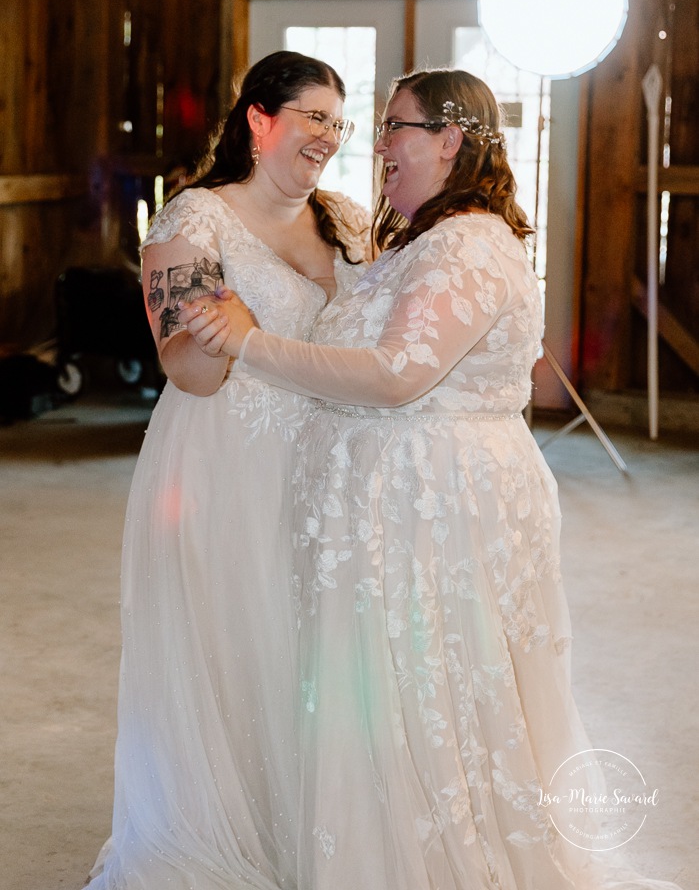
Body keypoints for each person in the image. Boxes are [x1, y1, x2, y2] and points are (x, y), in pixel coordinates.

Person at [181, 68, 682, 890]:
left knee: (431, 700)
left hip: (434, 510)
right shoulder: (423, 240)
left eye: (393, 127)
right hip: (400, 512)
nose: (376, 145)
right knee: (396, 701)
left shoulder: (468, 242)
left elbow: (396, 374)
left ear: (449, 141)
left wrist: (248, 340)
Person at [85, 50, 370, 890]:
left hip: (332, 458)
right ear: (259, 119)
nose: (329, 136)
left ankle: (309, 820)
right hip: (225, 461)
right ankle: (226, 826)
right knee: (236, 640)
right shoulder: (193, 221)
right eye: (314, 115)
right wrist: (222, 328)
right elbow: (191, 369)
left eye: (337, 121)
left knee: (314, 646)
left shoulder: (348, 219)